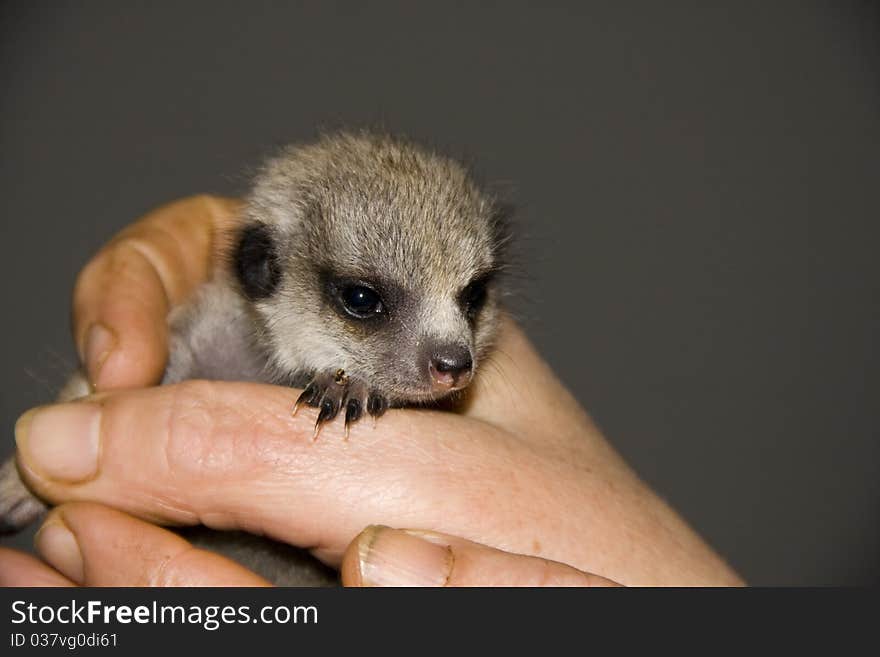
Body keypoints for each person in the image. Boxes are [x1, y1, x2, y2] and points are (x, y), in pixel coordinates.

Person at [0, 196, 743, 587]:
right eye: (363, 299)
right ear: (266, 272)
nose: (453, 354)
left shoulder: (405, 391)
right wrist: (41, 465)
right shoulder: (214, 322)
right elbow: (113, 389)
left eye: (472, 296)